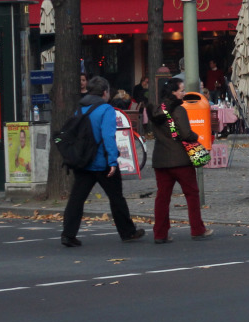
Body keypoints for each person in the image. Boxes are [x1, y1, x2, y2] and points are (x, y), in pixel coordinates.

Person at [60, 75, 145, 248]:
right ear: (105, 92)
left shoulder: (81, 108)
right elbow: (108, 136)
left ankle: (68, 234)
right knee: (116, 198)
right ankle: (127, 232)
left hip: (83, 161)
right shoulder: (106, 109)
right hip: (102, 162)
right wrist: (113, 161)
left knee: (77, 198)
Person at [149, 78, 212, 244]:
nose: (184, 93)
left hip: (161, 160)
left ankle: (160, 234)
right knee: (191, 194)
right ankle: (197, 229)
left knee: (162, 197)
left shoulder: (156, 109)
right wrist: (195, 136)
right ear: (173, 93)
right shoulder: (179, 110)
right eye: (181, 90)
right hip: (180, 159)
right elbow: (184, 133)